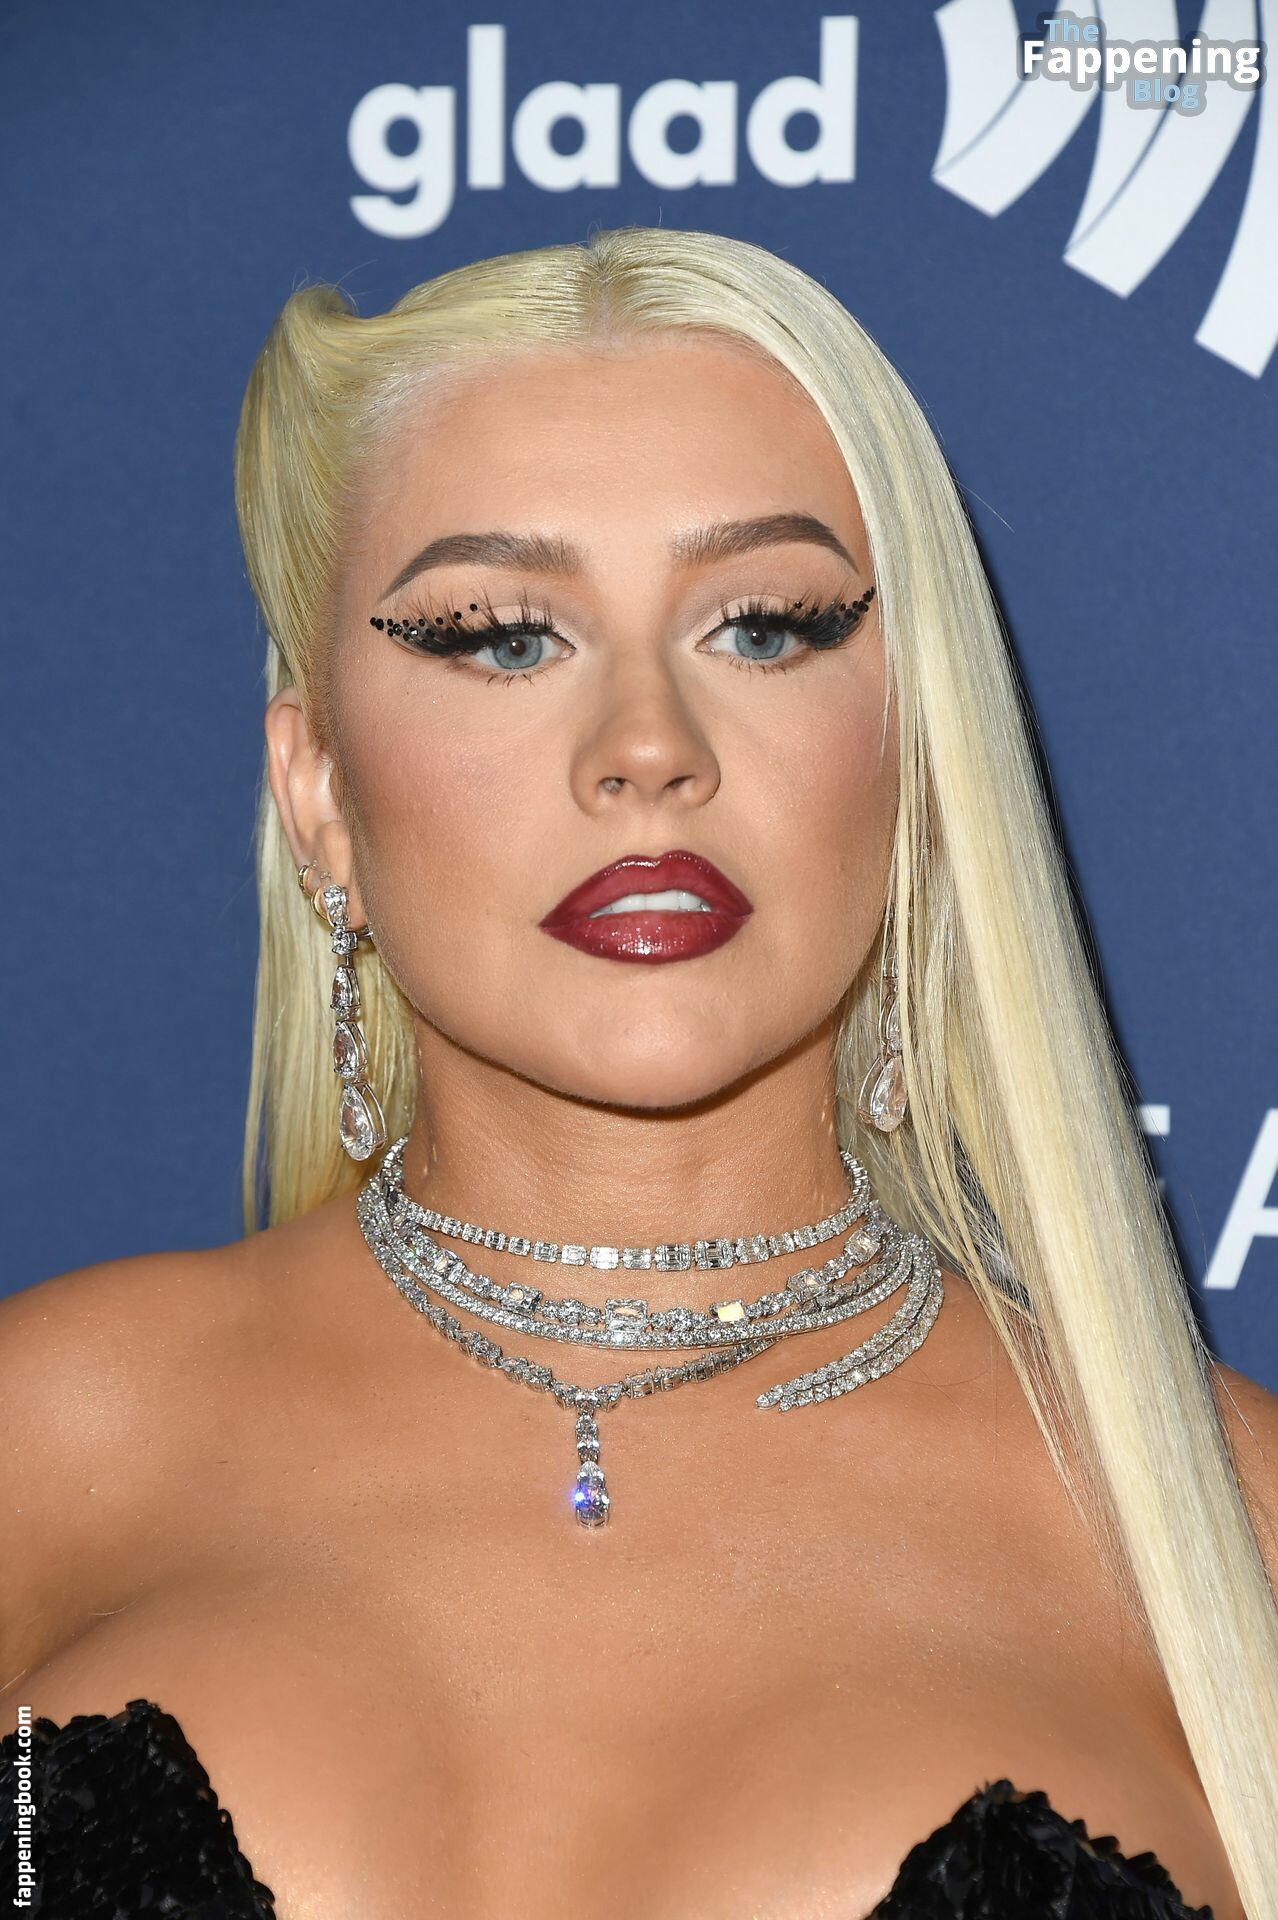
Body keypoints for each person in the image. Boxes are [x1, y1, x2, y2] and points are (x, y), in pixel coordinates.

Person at [2, 226, 1275, 1920]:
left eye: (763, 626)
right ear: (319, 797)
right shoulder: (46, 1437)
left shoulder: (1225, 1527)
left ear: (916, 751)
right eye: (498, 639)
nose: (648, 750)